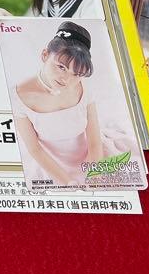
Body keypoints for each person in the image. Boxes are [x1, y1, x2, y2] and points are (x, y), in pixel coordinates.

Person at [10, 22, 126, 187]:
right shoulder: (20, 96)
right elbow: (35, 149)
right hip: (50, 164)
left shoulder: (84, 87)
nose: (66, 79)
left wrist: (95, 173)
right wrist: (68, 182)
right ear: (45, 55)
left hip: (92, 156)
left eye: (76, 74)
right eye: (61, 67)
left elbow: (94, 140)